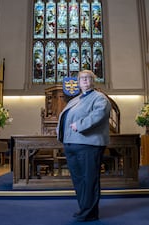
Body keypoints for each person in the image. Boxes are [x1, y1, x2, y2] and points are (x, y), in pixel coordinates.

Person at [57, 70, 111, 222]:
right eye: (82, 78)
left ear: (93, 81)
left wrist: (80, 125)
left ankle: (90, 212)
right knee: (79, 179)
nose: (85, 80)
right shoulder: (76, 99)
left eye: (88, 78)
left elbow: (99, 114)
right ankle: (84, 208)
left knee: (89, 179)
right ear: (78, 83)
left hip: (89, 144)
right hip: (72, 143)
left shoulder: (99, 98)